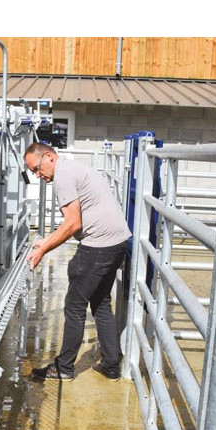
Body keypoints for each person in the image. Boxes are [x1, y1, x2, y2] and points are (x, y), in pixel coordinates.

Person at [24, 142, 131, 381]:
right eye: (33, 173)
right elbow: (70, 224)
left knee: (74, 306)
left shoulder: (62, 176)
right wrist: (46, 241)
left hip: (98, 246)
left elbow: (73, 223)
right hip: (117, 242)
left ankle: (64, 368)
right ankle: (111, 366)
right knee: (101, 303)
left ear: (49, 156)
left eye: (37, 169)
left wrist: (43, 250)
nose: (38, 175)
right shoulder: (72, 169)